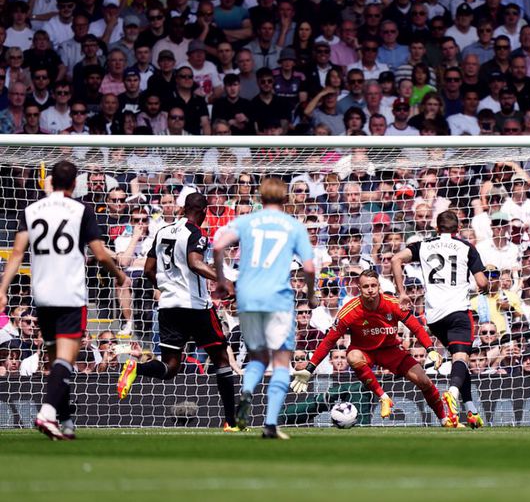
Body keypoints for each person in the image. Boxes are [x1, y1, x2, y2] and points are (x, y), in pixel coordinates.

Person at [0, 160, 127, 440]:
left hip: (42, 296)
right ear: (73, 184)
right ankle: (47, 414)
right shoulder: (81, 210)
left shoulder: (31, 210)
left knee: (57, 360)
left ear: (51, 182)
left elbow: (18, 253)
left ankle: (66, 420)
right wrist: (119, 276)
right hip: (70, 294)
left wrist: (3, 288)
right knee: (65, 360)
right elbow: (102, 254)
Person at [114, 193, 238, 431]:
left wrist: (165, 288)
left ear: (182, 208)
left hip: (168, 307)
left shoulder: (162, 232)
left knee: (170, 367)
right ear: (203, 212)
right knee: (222, 357)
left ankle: (135, 368)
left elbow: (149, 269)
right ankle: (231, 422)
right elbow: (195, 262)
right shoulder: (196, 233)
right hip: (195, 307)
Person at [212, 177, 318, 440]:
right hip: (277, 298)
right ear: (285, 199)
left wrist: (223, 281)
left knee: (258, 357)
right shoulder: (293, 226)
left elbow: (217, 244)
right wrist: (312, 295)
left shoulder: (247, 221)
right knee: (282, 360)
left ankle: (247, 391)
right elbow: (309, 267)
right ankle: (270, 424)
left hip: (247, 297)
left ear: (260, 198)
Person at [291, 270, 452, 426]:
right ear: (359, 289)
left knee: (424, 381)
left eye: (373, 286)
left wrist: (430, 349)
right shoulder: (349, 310)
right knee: (352, 357)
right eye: (366, 287)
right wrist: (310, 368)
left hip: (391, 350)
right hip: (364, 351)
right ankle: (383, 398)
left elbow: (416, 327)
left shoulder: (393, 304)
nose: (370, 290)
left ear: (379, 286)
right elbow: (328, 342)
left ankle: (445, 419)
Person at [391, 210, 489, 428]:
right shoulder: (466, 247)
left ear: (437, 228)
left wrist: (402, 293)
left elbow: (396, 259)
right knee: (462, 358)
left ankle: (471, 411)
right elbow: (482, 283)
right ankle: (452, 393)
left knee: (458, 360)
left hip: (434, 317)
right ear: (458, 229)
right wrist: (489, 287)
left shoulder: (423, 245)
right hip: (458, 312)